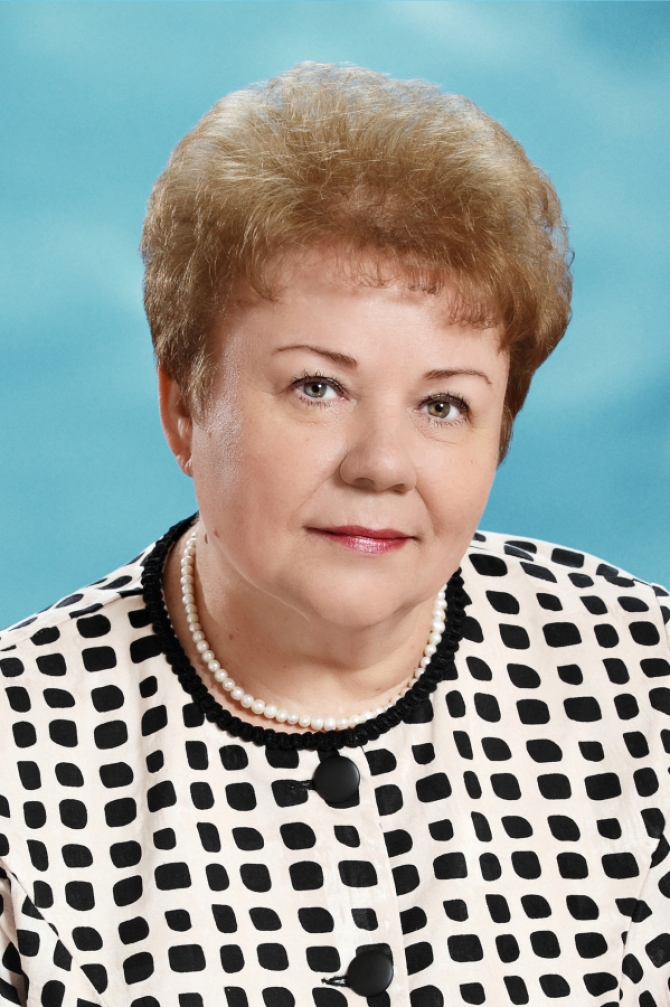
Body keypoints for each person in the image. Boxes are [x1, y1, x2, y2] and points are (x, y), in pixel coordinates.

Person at [0, 63, 668, 1007]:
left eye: (443, 404)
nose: (382, 464)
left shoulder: (643, 677)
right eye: (318, 387)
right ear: (184, 406)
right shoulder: (18, 759)